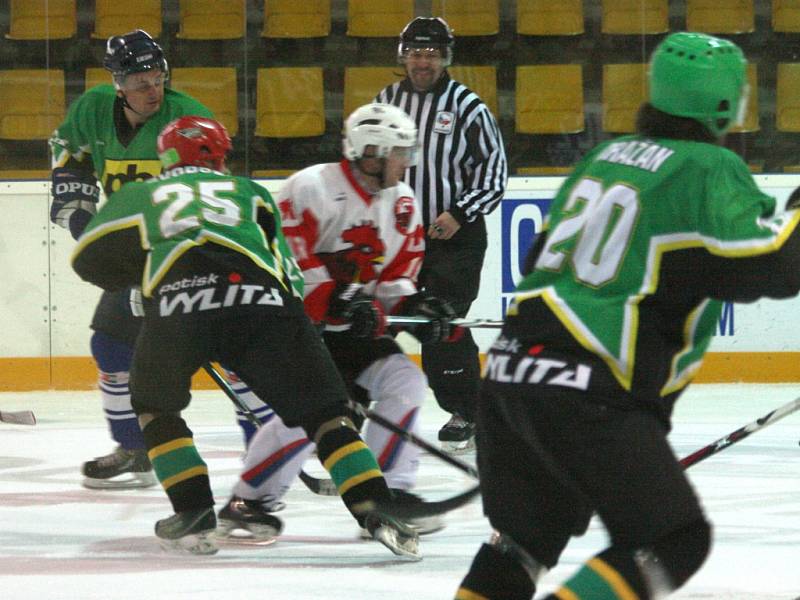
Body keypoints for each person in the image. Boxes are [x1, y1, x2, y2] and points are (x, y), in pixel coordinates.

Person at [455, 32, 800, 600]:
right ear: (725, 101)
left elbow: (540, 257)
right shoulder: (706, 166)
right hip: (590, 388)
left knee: (520, 545)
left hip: (510, 375)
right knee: (674, 540)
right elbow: (772, 265)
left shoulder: (603, 158)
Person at [70, 115, 421, 559]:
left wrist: (142, 280)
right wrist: (298, 337)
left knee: (156, 408)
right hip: (266, 303)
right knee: (327, 415)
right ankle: (376, 505)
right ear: (220, 155)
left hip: (181, 303)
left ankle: (194, 510)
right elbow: (286, 268)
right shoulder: (251, 191)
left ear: (167, 156)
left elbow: (88, 259)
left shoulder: (143, 193)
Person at [216, 103, 455, 538]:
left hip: (352, 332)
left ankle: (386, 495)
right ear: (371, 153)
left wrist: (415, 308)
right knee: (315, 412)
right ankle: (247, 502)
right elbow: (285, 262)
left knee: (406, 382)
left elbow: (397, 276)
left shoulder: (401, 201)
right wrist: (338, 300)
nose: (408, 161)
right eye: (400, 152)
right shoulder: (308, 188)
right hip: (298, 330)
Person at [49, 30, 269, 488]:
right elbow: (70, 153)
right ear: (117, 82)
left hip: (190, 251)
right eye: (140, 81)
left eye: (157, 77)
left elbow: (216, 191)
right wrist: (77, 202)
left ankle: (266, 452)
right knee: (110, 347)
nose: (153, 89)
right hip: (133, 251)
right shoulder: (92, 109)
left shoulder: (190, 117)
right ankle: (135, 449)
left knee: (236, 357)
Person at [376, 16, 508, 453]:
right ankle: (359, 401)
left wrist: (459, 212)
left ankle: (467, 411)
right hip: (398, 241)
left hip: (455, 239)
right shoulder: (387, 102)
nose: (422, 62)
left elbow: (493, 173)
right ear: (403, 56)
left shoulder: (468, 106)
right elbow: (365, 158)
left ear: (446, 58)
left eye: (431, 54)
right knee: (377, 320)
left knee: (440, 323)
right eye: (415, 53)